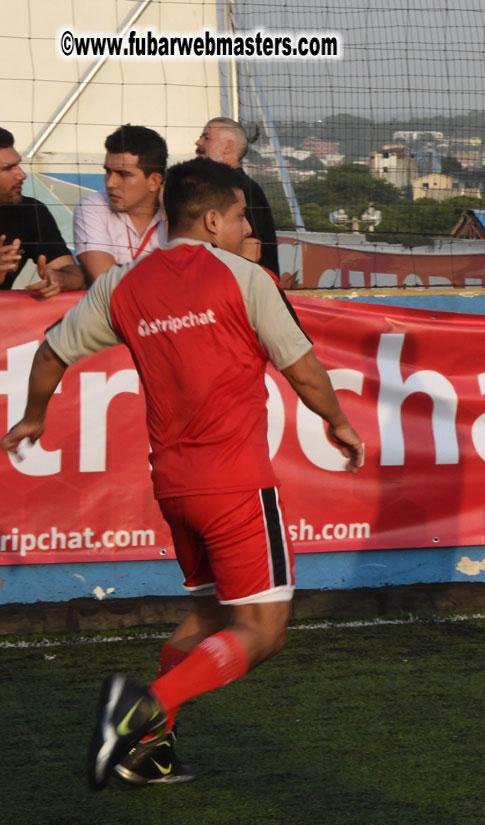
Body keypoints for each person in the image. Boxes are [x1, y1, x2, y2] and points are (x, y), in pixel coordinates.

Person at [1, 158, 365, 790]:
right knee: (264, 630)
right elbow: (303, 368)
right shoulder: (245, 278)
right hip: (235, 484)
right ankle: (142, 709)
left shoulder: (124, 284)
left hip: (173, 487)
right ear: (216, 218)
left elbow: (51, 352)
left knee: (209, 616)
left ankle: (149, 750)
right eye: (243, 215)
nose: (248, 226)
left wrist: (33, 417)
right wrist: (338, 421)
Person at [73, 124, 167, 282]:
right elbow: (106, 285)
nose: (110, 183)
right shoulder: (91, 207)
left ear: (154, 181)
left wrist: (171, 216)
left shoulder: (179, 209)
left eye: (123, 174)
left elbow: (192, 277)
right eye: (108, 172)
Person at [0, 127, 84, 297]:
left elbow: (75, 277)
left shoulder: (30, 211)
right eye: (9, 168)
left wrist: (59, 279)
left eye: (18, 165)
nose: (22, 175)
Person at [195, 117, 281, 277]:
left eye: (206, 138)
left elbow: (251, 251)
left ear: (228, 146)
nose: (198, 142)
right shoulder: (227, 187)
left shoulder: (245, 191)